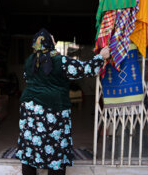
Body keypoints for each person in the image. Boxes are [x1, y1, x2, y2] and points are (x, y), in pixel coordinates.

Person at [16, 28, 110, 175]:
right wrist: (101, 57)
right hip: (53, 111)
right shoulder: (61, 61)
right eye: (52, 38)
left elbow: (27, 78)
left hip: (30, 111)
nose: (54, 40)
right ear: (49, 42)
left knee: (30, 147)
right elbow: (85, 70)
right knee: (55, 149)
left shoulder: (30, 60)